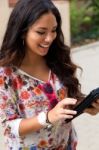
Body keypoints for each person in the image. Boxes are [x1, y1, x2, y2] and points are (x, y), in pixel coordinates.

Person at [0, 0, 99, 149]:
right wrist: (47, 117)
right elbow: (9, 127)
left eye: (54, 30)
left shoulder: (58, 59)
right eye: (41, 32)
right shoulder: (6, 73)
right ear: (22, 31)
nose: (49, 38)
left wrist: (83, 106)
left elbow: (63, 102)